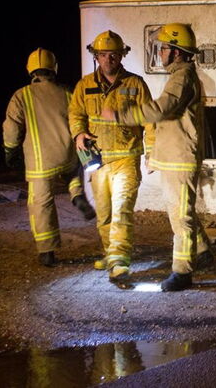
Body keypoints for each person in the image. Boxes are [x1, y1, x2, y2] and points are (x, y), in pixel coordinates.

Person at [103, 23, 212, 291]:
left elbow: (163, 109)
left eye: (164, 48)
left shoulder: (182, 76)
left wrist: (122, 116)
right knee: (181, 211)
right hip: (174, 157)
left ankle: (183, 272)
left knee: (181, 218)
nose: (160, 53)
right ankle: (203, 251)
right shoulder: (181, 75)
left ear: (176, 51)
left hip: (180, 159)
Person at [69, 30, 154, 284]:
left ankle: (119, 260)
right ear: (96, 57)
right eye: (104, 55)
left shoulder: (135, 84)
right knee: (104, 213)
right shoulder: (84, 85)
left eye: (114, 54)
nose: (109, 59)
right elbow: (75, 114)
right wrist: (78, 133)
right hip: (98, 162)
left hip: (126, 159)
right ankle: (110, 252)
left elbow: (150, 121)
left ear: (122, 55)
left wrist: (152, 152)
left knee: (121, 210)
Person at [3, 48, 96, 267]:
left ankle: (47, 251)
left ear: (30, 70)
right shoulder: (67, 92)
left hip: (39, 161)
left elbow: (12, 128)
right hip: (67, 153)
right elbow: (79, 118)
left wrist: (10, 151)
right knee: (73, 173)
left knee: (41, 204)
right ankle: (77, 195)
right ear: (54, 68)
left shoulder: (21, 95)